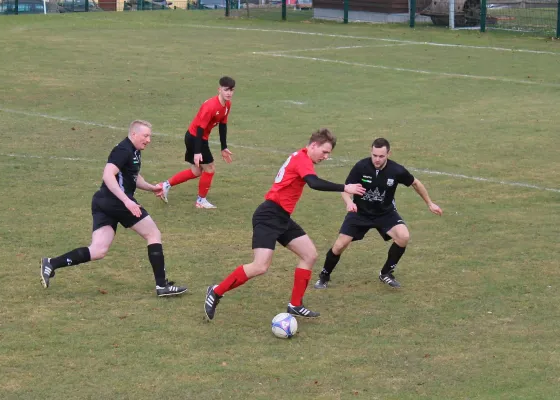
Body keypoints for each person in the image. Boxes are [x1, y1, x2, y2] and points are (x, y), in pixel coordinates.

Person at [203, 128, 366, 321]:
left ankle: (295, 305)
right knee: (260, 266)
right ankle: (216, 291)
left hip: (282, 217)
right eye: (324, 152)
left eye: (328, 153)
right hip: (268, 215)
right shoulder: (302, 160)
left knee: (310, 255)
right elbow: (313, 183)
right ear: (313, 145)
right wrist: (344, 187)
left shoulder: (302, 156)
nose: (326, 157)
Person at [39, 120, 188, 297]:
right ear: (134, 134)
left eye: (150, 136)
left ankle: (51, 263)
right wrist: (127, 201)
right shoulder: (123, 150)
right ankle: (161, 285)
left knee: (98, 250)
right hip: (117, 202)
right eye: (145, 136)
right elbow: (108, 175)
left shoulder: (134, 150)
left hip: (103, 201)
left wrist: (151, 187)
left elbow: (132, 175)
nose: (148, 140)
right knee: (153, 234)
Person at [314, 137, 443, 290]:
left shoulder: (396, 170)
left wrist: (429, 203)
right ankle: (324, 275)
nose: (377, 159)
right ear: (371, 152)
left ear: (388, 154)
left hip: (385, 213)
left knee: (403, 236)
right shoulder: (361, 166)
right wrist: (349, 202)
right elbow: (346, 189)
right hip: (360, 213)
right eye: (374, 155)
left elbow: (415, 183)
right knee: (339, 245)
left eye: (381, 156)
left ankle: (386, 272)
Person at [158, 76, 236, 209]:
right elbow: (200, 129)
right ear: (219, 89)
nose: (229, 93)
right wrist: (197, 151)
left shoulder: (227, 104)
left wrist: (224, 147)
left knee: (196, 171)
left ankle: (164, 185)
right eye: (226, 90)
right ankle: (201, 201)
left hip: (196, 138)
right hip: (196, 138)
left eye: (231, 90)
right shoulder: (210, 106)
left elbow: (223, 125)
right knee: (210, 168)